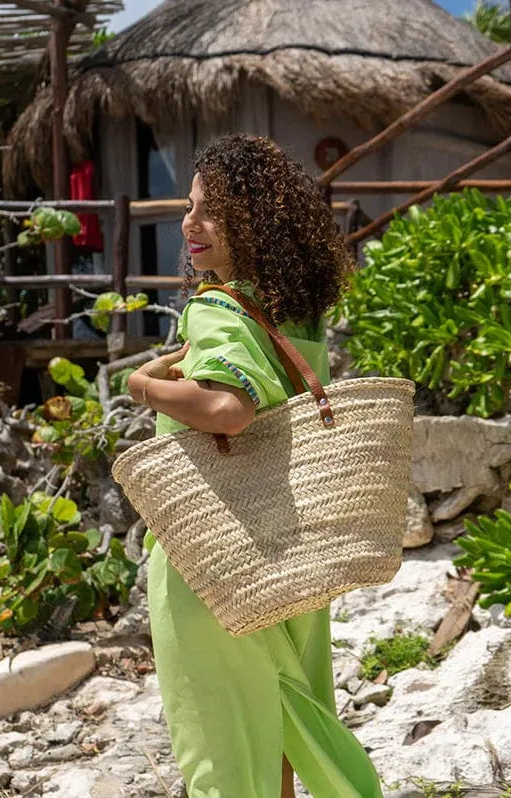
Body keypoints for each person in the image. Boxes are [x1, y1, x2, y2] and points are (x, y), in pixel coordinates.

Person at [126, 134, 383, 798]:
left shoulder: (216, 309)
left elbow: (229, 408)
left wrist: (144, 388)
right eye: (189, 208)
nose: (190, 224)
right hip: (292, 538)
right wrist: (176, 364)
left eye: (211, 210)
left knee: (222, 737)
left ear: (251, 221)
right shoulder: (293, 315)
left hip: (210, 549)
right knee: (288, 716)